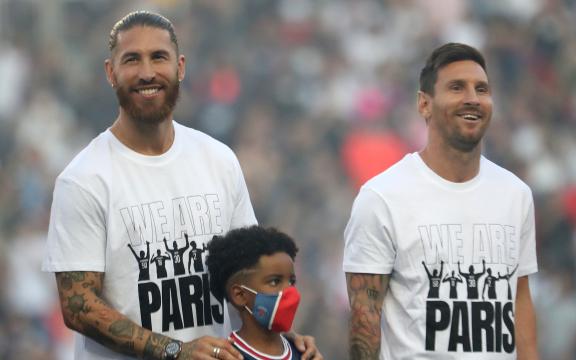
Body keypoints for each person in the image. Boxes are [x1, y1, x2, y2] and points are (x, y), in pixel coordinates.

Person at [43, 11, 319, 360]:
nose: (147, 72)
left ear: (181, 67)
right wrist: (173, 350)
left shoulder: (218, 160)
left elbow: (248, 274)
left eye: (159, 57)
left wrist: (281, 338)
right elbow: (78, 307)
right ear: (111, 73)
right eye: (132, 60)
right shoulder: (83, 179)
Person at [343, 43, 539, 359]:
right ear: (424, 105)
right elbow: (364, 321)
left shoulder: (516, 195)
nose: (473, 98)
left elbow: (520, 301)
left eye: (482, 89)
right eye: (456, 88)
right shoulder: (381, 198)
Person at [206, 226, 304, 360]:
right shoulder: (226, 356)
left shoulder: (305, 353)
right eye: (275, 281)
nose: (290, 291)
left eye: (292, 281)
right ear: (239, 295)